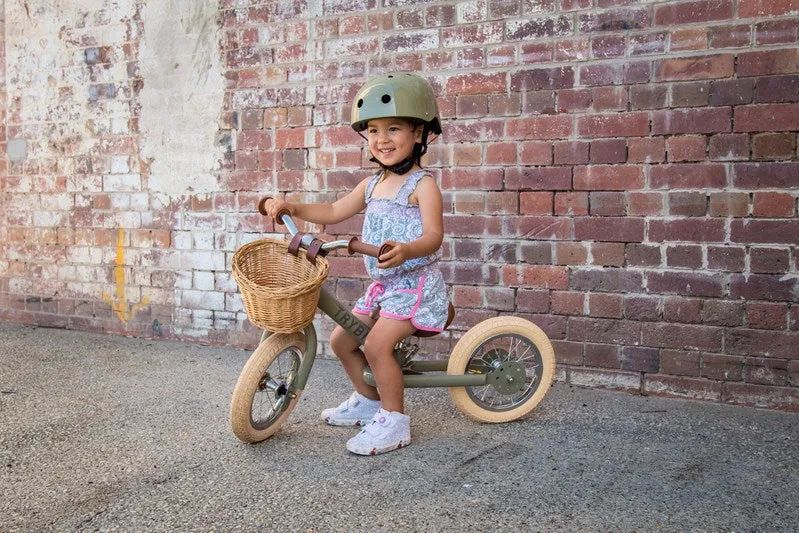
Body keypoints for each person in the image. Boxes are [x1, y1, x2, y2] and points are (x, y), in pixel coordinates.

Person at [262, 73, 449, 455]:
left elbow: (434, 236)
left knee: (378, 346)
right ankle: (369, 401)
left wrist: (408, 249)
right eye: (374, 130)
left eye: (393, 128)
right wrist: (293, 206)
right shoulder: (371, 185)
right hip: (384, 288)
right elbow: (332, 211)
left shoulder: (423, 186)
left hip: (415, 288)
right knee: (343, 340)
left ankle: (395, 421)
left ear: (419, 133)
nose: (382, 139)